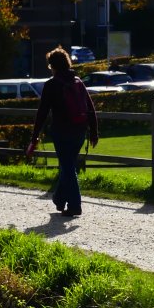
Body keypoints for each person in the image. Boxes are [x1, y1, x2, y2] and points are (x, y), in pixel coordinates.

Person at [26, 45, 98, 217]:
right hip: (80, 131)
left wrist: (34, 137)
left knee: (67, 168)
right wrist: (94, 132)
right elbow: (90, 108)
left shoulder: (51, 85)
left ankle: (75, 206)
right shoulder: (78, 82)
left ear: (53, 66)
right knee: (68, 166)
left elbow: (42, 113)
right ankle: (59, 199)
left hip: (62, 131)